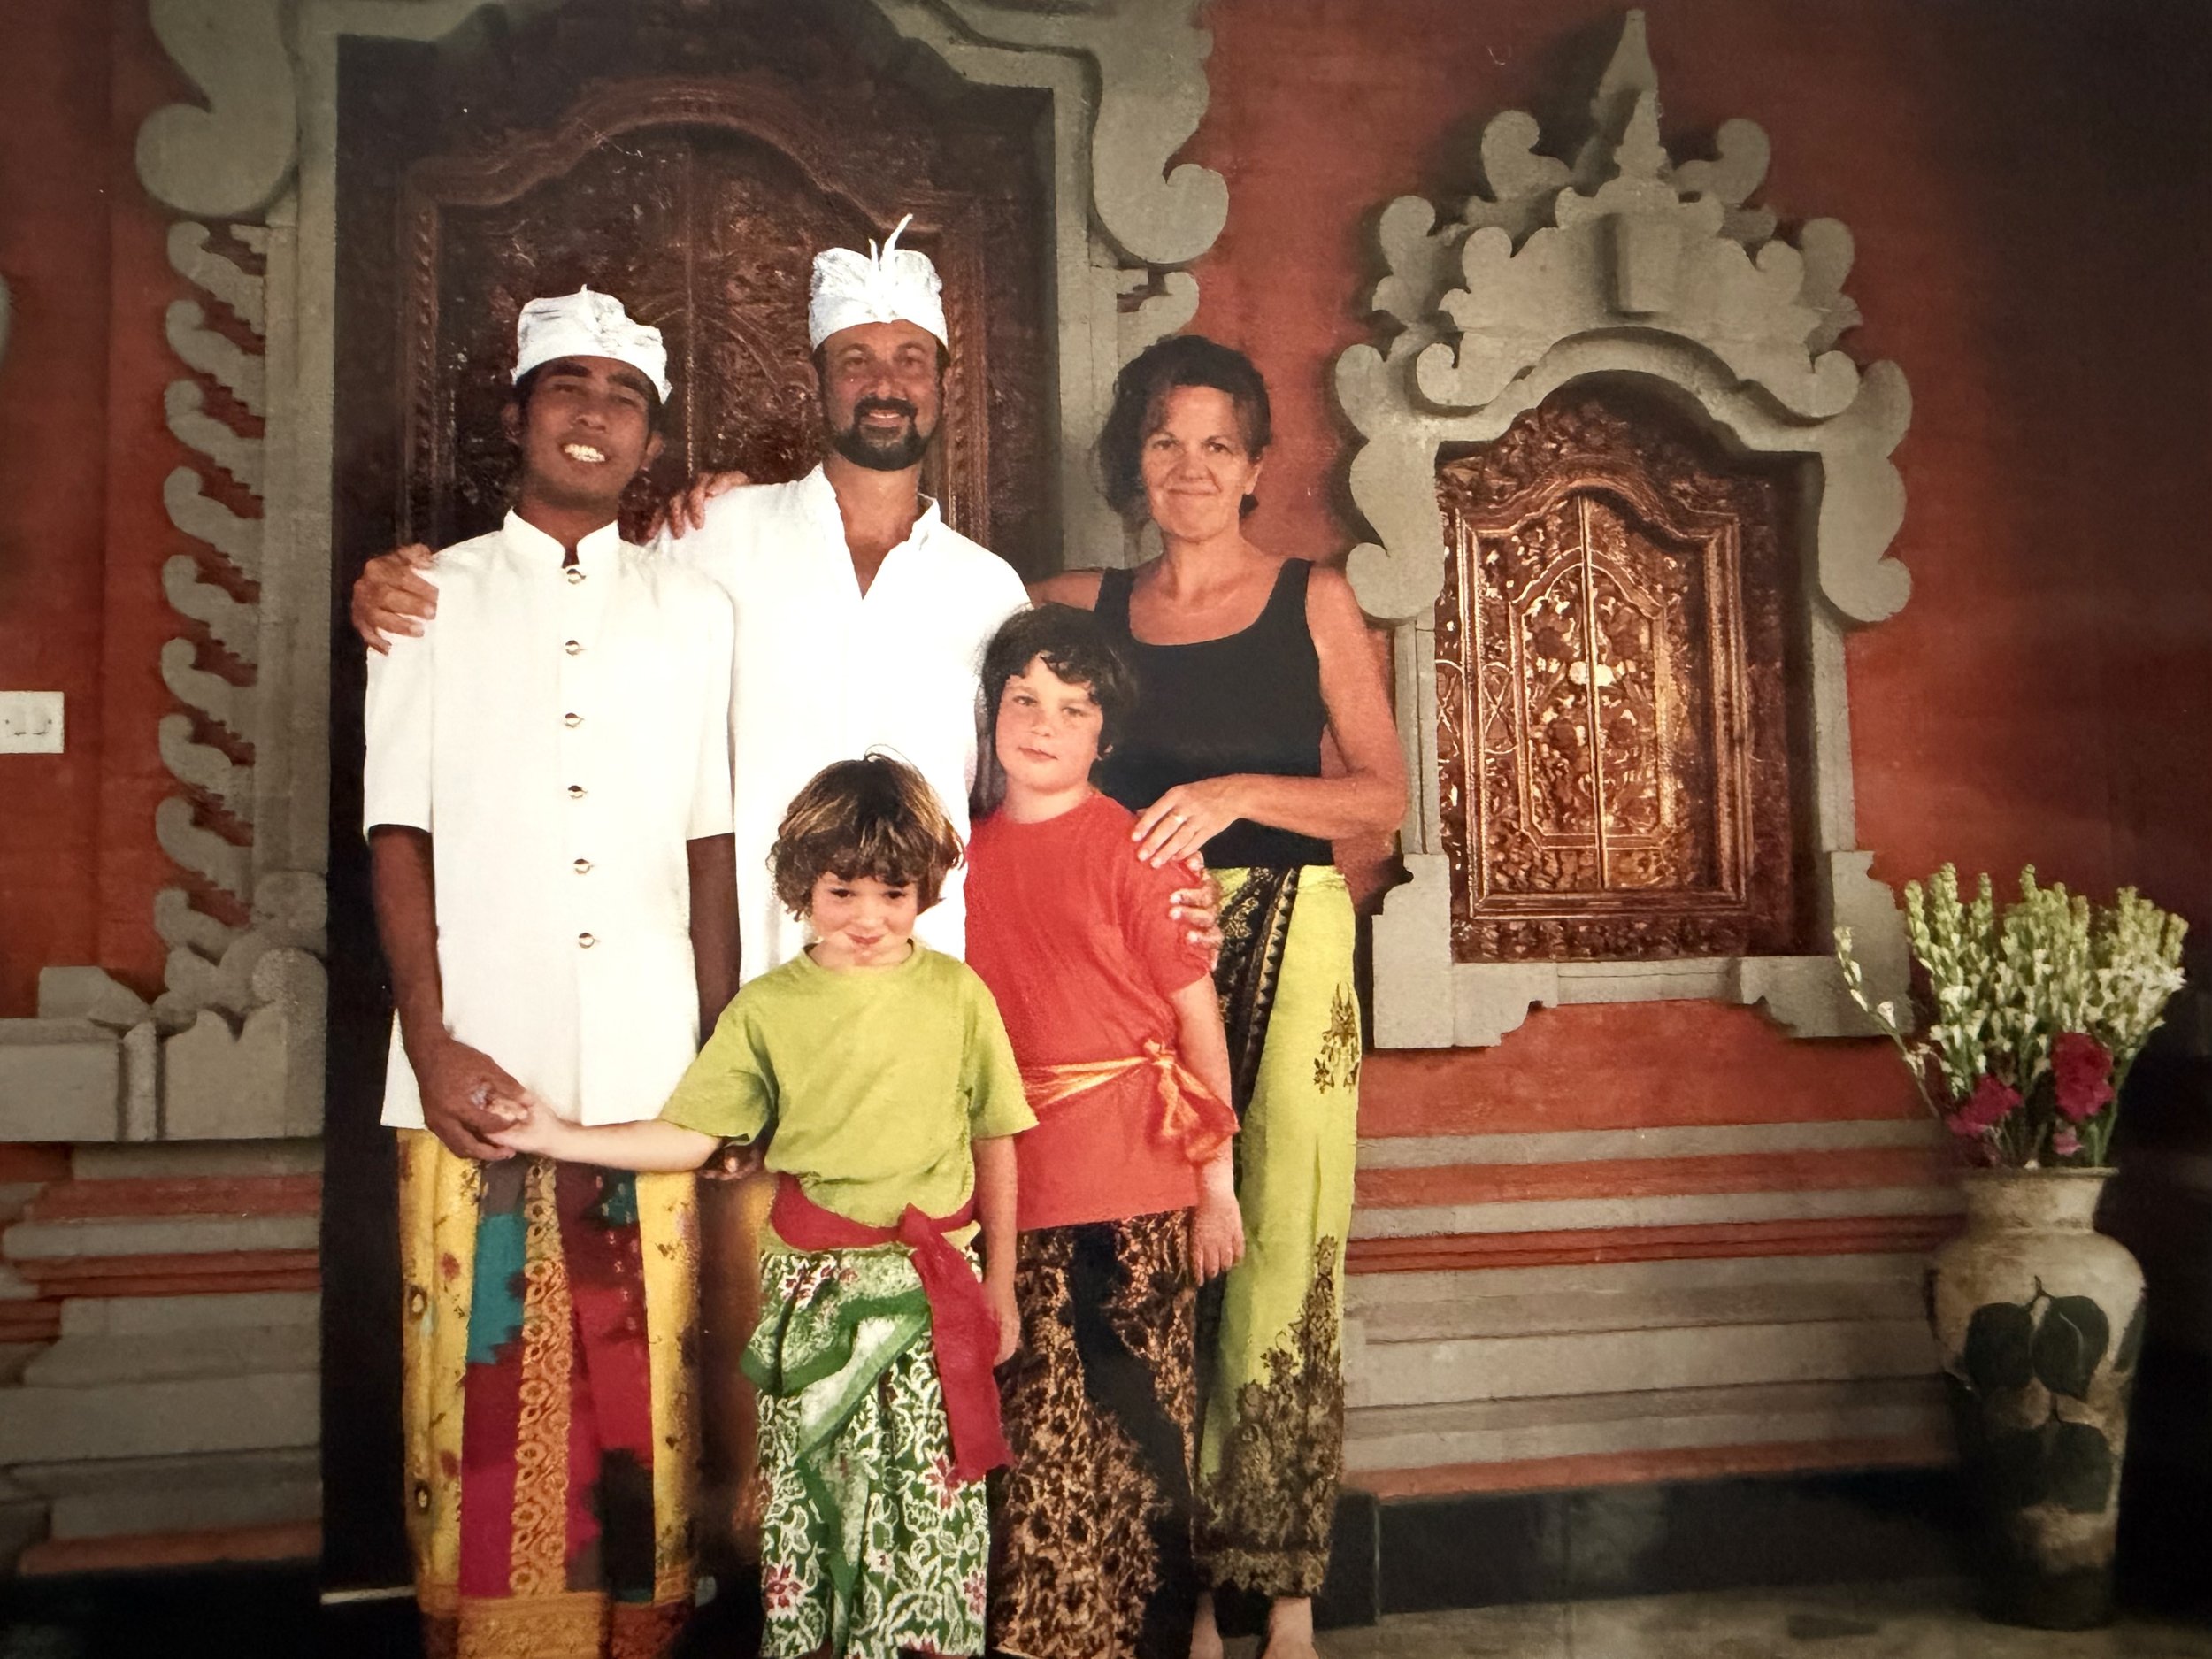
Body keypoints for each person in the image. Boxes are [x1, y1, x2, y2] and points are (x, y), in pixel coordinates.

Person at [364, 288, 737, 1657]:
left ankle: (638, 1632)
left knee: (646, 1372)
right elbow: (393, 828)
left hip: (651, 1060)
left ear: (649, 441)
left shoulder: (695, 604)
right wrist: (430, 1034)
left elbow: (710, 841)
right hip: (476, 1057)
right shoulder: (429, 592)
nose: (594, 413)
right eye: (566, 386)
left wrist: (722, 1055)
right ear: (517, 414)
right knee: (481, 1368)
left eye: (625, 395)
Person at [1034, 334, 1407, 1659]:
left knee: (1286, 1256)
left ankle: (1287, 1591)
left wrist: (1241, 794)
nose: (1188, 467)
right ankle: (1188, 1587)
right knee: (1157, 1260)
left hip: (1294, 942)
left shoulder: (1311, 596)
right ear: (1130, 459)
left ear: (1254, 466)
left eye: (1216, 444)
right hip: (1133, 958)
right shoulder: (1077, 600)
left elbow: (1383, 794)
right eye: (1163, 440)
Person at [492, 753, 1033, 1659]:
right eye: (841, 892)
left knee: (925, 1507)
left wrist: (1004, 1288)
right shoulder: (767, 1010)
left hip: (928, 1294)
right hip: (812, 1297)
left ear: (926, 890)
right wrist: (557, 1133)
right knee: (817, 1502)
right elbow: (691, 1136)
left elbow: (998, 1141)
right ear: (799, 886)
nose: (868, 919)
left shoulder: (958, 995)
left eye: (893, 894)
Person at [963, 604, 1244, 1659]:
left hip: (1139, 1190)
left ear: (1104, 737)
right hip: (1016, 1194)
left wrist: (1217, 1187)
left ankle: (1168, 1639)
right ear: (992, 713)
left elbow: (1197, 1028)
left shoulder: (1139, 851)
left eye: (1072, 708)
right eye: (1024, 700)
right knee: (1037, 1447)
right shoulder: (957, 861)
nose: (1043, 724)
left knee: (1142, 1442)